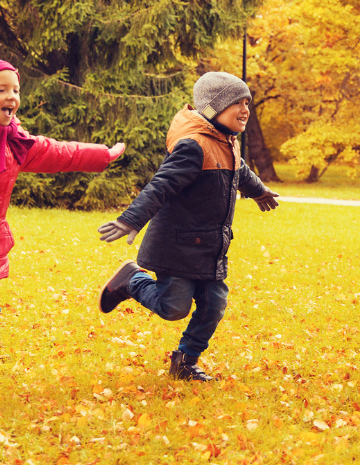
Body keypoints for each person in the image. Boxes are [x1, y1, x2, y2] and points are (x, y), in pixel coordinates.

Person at [0, 58, 123, 409]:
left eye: (15, 90)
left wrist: (102, 155)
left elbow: (56, 152)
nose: (12, 97)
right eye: (0, 89)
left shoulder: (12, 140)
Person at [96, 72, 279, 382]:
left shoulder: (228, 143)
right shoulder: (193, 146)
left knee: (214, 307)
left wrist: (259, 190)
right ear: (213, 107)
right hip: (177, 246)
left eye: (247, 102)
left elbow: (241, 172)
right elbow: (160, 186)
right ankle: (132, 281)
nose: (245, 109)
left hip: (210, 247)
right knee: (173, 307)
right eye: (237, 102)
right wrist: (131, 219)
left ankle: (185, 362)